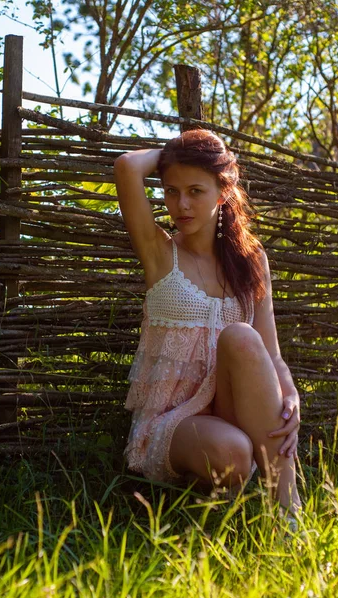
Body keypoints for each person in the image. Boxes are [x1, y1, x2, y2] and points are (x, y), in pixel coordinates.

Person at [114, 129, 301, 516]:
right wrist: (177, 152)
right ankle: (223, 493)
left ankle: (289, 513)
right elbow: (127, 167)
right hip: (171, 424)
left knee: (241, 337)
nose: (181, 204)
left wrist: (292, 399)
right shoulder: (160, 253)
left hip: (233, 411)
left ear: (223, 191)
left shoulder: (251, 259)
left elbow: (271, 352)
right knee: (234, 451)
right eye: (171, 191)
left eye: (195, 191)